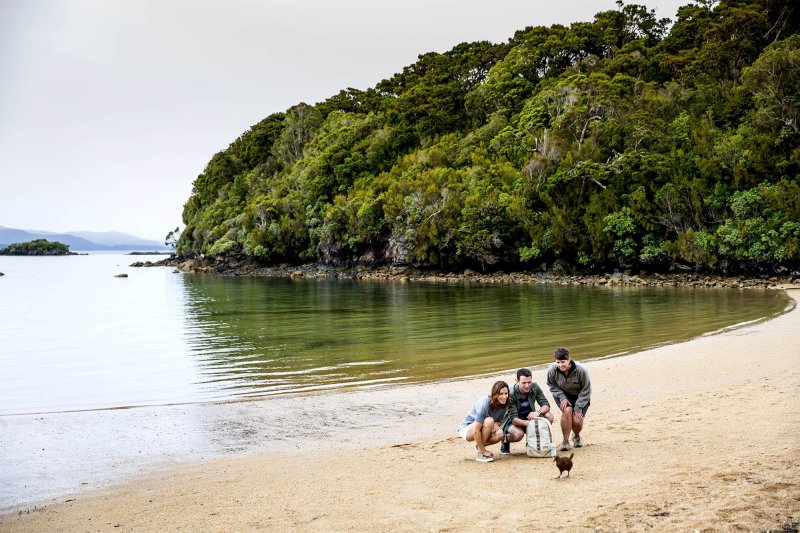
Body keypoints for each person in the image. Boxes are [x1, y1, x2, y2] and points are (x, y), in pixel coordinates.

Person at [547, 347, 591, 451]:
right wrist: (562, 397)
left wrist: (578, 407)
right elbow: (551, 385)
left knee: (577, 420)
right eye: (558, 362)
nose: (560, 365)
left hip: (580, 396)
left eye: (563, 362)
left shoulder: (581, 370)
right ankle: (565, 441)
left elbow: (586, 390)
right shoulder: (552, 369)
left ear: (569, 359)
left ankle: (576, 436)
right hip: (563, 395)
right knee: (567, 411)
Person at [500, 368, 554, 455]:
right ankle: (505, 440)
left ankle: (532, 443)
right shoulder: (510, 394)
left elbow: (546, 405)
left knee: (549, 416)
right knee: (518, 434)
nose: (527, 386)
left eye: (529, 382)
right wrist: (531, 424)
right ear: (517, 381)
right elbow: (514, 419)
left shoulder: (535, 386)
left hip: (529, 417)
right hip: (512, 422)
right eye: (524, 383)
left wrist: (538, 412)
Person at [458, 381, 510, 462]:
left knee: (500, 434)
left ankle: (478, 447)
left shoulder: (504, 404)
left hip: (483, 426)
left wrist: (497, 423)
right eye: (501, 394)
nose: (504, 396)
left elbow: (500, 420)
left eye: (506, 393)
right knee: (489, 421)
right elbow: (476, 430)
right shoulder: (484, 403)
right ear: (495, 394)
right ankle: (480, 453)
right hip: (467, 429)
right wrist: (483, 450)